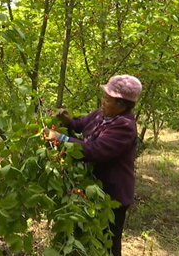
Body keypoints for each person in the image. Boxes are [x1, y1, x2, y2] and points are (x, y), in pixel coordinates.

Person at [44, 74, 142, 256]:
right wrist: (68, 121)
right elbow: (81, 123)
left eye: (107, 99)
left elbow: (94, 150)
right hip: (94, 190)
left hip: (112, 195)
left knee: (108, 244)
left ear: (121, 105)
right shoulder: (102, 115)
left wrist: (61, 138)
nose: (102, 102)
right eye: (104, 97)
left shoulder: (124, 126)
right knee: (88, 240)